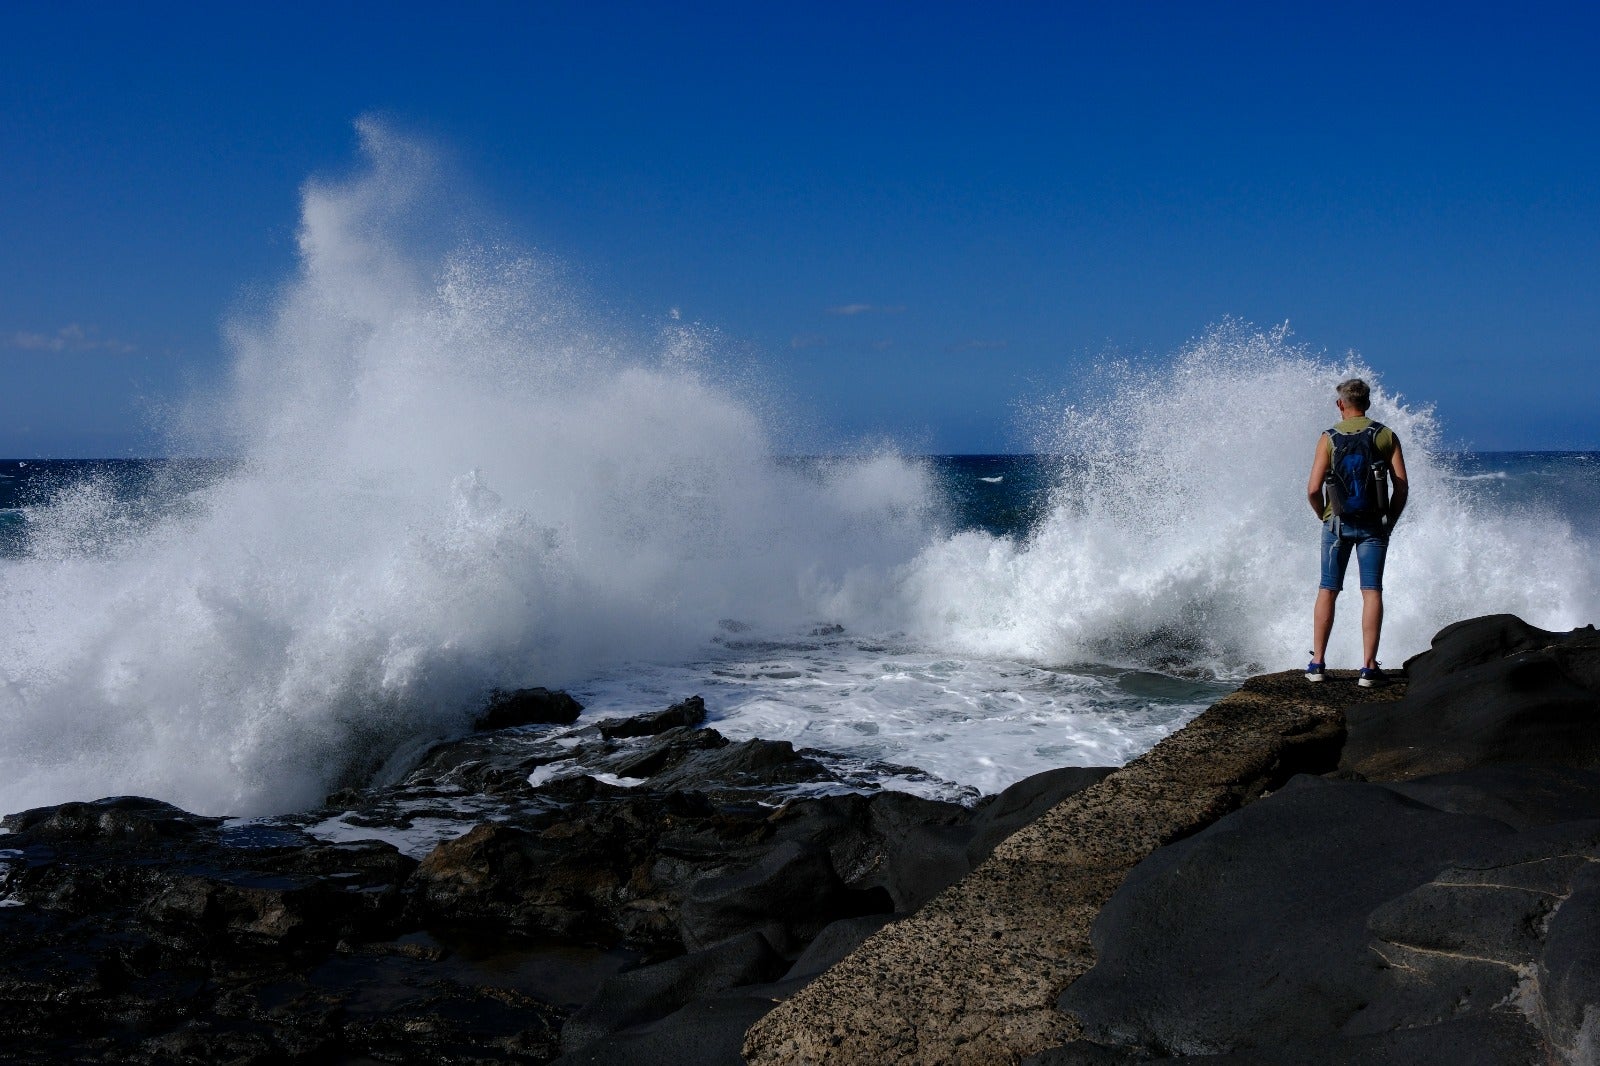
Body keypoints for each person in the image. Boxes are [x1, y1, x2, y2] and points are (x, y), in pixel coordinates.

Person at [1304, 378, 1408, 686]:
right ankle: (1367, 667)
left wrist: (1323, 515)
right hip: (1374, 525)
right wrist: (1390, 519)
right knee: (1371, 591)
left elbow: (1312, 489)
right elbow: (1401, 485)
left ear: (1340, 404)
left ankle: (1318, 663)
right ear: (1368, 403)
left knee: (1328, 589)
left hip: (1335, 524)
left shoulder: (1329, 437)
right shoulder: (1385, 435)